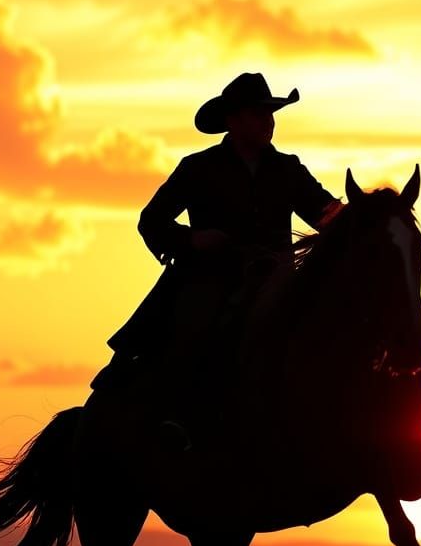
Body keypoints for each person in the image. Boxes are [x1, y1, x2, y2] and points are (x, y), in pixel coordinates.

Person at [91, 72, 344, 443]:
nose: (268, 122)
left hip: (276, 280)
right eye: (259, 114)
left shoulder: (287, 169)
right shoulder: (198, 168)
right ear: (232, 120)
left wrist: (366, 216)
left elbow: (326, 213)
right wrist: (192, 239)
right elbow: (151, 221)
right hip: (212, 277)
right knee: (194, 327)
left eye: (270, 114)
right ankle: (179, 416)